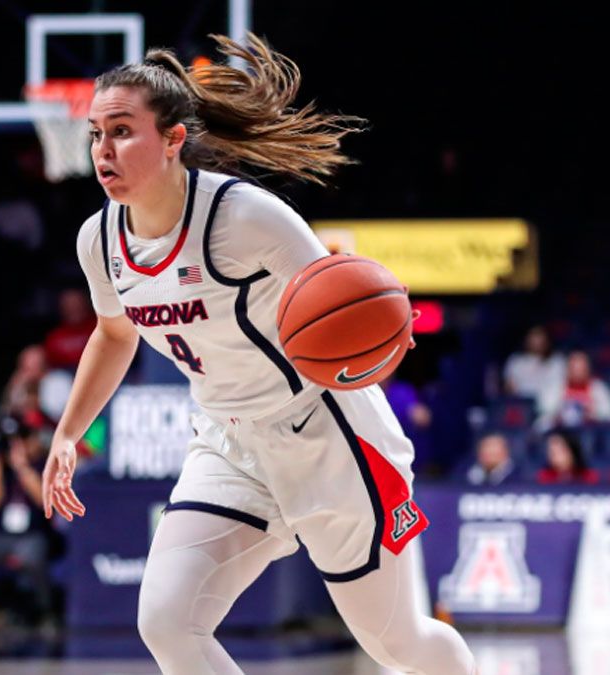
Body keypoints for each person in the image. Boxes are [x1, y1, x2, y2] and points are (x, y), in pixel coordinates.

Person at [41, 35, 474, 674]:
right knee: (166, 621)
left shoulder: (244, 216)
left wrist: (380, 337)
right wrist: (68, 433)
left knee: (397, 643)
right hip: (227, 443)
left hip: (327, 435)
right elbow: (114, 332)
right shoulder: (98, 239)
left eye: (123, 131)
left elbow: (338, 303)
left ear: (173, 139)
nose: (104, 149)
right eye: (97, 133)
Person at [0, 417, 63, 638]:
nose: (15, 446)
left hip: (35, 534)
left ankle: (47, 614)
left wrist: (22, 467)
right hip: (4, 536)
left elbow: (45, 501)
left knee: (32, 556)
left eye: (20, 440)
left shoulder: (41, 464)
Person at [535, 349, 610, 431]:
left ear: (588, 369)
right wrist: (559, 415)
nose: (577, 372)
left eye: (581, 368)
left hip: (590, 433)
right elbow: (544, 414)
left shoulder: (599, 388)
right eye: (574, 367)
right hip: (561, 433)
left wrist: (593, 414)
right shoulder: (554, 387)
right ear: (567, 368)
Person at [502, 325, 565, 398]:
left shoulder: (557, 362)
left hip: (551, 406)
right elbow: (509, 388)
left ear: (547, 339)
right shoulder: (515, 362)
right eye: (534, 336)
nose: (537, 341)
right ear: (526, 339)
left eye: (540, 336)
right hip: (523, 405)